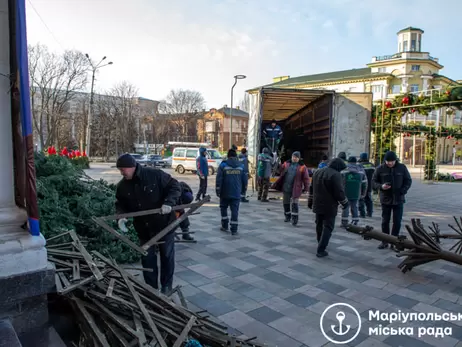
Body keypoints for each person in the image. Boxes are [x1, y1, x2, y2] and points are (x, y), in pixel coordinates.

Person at [115, 153, 181, 294]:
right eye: (120, 170)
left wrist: (169, 202)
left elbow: (174, 186)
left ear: (132, 167)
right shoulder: (122, 186)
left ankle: (166, 286)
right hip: (144, 229)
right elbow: (120, 204)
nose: (121, 172)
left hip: (164, 225)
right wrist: (120, 217)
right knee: (147, 259)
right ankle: (151, 289)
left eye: (123, 169)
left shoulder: (154, 175)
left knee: (167, 257)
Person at [308, 158, 348, 258]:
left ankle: (320, 242)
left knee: (319, 224)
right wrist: (345, 203)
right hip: (329, 206)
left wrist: (310, 201)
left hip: (317, 204)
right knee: (328, 227)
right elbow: (339, 192)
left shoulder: (317, 172)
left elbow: (311, 188)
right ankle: (321, 249)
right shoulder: (336, 175)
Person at [372, 151, 412, 250]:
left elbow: (408, 180)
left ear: (395, 160)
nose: (390, 163)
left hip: (399, 199)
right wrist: (381, 186)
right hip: (385, 199)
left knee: (397, 221)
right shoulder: (380, 169)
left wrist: (403, 190)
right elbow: (373, 182)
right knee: (385, 221)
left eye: (392, 161)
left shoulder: (402, 168)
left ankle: (394, 241)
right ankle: (384, 240)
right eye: (387, 161)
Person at [272, 151, 309, 226]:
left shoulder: (302, 167)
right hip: (286, 187)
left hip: (296, 188)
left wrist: (306, 188)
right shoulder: (286, 164)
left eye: (296, 157)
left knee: (295, 204)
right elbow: (279, 170)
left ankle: (294, 219)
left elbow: (306, 179)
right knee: (286, 203)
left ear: (299, 158)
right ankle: (287, 216)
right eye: (293, 157)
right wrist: (277, 163)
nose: (294, 158)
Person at [216, 149, 248, 235]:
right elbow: (245, 180)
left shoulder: (223, 165)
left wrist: (218, 190)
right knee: (234, 210)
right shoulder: (241, 166)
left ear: (228, 156)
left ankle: (225, 225)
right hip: (236, 193)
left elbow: (219, 179)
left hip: (225, 192)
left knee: (223, 208)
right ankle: (234, 229)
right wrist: (243, 191)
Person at [340, 157, 368, 227]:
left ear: (348, 162)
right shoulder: (361, 170)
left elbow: (339, 182)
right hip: (356, 193)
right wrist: (363, 193)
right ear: (356, 162)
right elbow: (364, 183)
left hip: (345, 192)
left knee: (345, 207)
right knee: (355, 207)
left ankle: (344, 222)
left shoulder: (344, 170)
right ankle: (355, 221)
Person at [358, 152, 375, 218]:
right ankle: (369, 213)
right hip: (370, 184)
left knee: (361, 198)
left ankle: (362, 214)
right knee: (369, 199)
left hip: (362, 184)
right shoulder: (372, 165)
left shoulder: (360, 165)